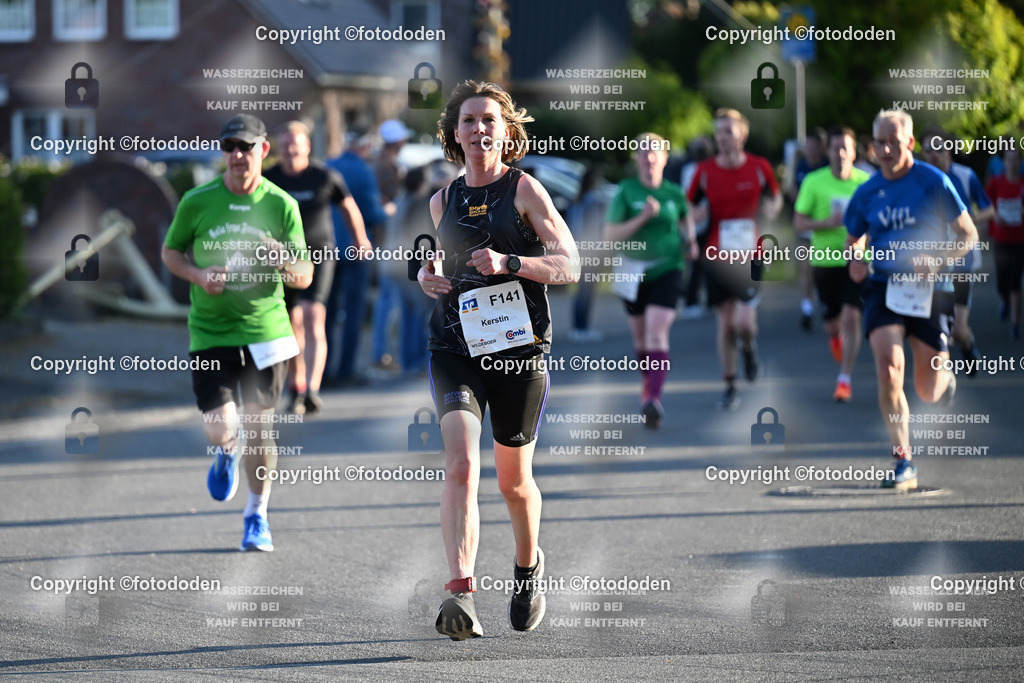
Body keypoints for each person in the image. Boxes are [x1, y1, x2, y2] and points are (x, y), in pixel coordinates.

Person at [417, 80, 579, 640]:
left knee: (513, 481)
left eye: (489, 120)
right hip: (454, 348)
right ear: (453, 133)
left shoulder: (526, 189)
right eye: (468, 120)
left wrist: (512, 261)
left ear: (506, 130)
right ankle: (460, 593)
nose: (479, 129)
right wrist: (426, 276)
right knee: (461, 464)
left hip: (518, 350)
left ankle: (528, 567)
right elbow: (435, 261)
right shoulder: (442, 199)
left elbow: (569, 264)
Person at [161, 114, 313, 551]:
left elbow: (304, 273)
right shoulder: (197, 200)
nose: (237, 155)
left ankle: (257, 516)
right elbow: (171, 251)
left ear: (264, 151)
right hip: (211, 331)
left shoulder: (282, 204)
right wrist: (196, 274)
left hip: (267, 332)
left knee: (260, 428)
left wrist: (282, 258)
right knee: (219, 428)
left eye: (246, 147)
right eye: (229, 147)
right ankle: (226, 450)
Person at [844, 109, 978, 490]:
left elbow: (968, 235)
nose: (886, 149)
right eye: (880, 143)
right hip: (884, 287)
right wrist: (855, 258)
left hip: (931, 291)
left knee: (927, 389)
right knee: (889, 370)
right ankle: (903, 461)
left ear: (910, 143)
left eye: (894, 141)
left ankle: (945, 379)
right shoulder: (866, 191)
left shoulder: (933, 181)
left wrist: (937, 260)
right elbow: (854, 238)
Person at [264, 121, 370, 414]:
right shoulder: (269, 178)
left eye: (295, 144)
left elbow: (349, 207)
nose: (290, 150)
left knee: (313, 315)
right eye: (285, 145)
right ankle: (296, 388)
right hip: (284, 259)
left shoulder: (324, 176)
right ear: (279, 149)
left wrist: (360, 240)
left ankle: (312, 387)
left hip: (320, 255)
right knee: (291, 322)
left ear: (307, 147)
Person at [688, 108, 782, 410]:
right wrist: (694, 216)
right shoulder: (704, 171)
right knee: (725, 324)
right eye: (718, 132)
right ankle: (729, 384)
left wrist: (773, 208)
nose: (722, 138)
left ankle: (749, 347)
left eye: (728, 131)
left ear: (742, 134)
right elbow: (686, 208)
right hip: (716, 254)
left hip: (751, 255)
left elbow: (776, 195)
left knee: (744, 323)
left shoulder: (759, 167)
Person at [604, 133, 697, 427]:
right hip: (630, 270)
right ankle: (649, 384)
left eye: (654, 152)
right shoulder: (626, 191)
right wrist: (643, 217)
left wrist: (691, 240)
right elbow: (611, 234)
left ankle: (652, 399)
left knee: (657, 332)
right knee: (641, 340)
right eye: (643, 152)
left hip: (668, 267)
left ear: (664, 158)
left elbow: (684, 217)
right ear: (637, 160)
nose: (649, 157)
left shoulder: (674, 192)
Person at [794, 126, 870, 402]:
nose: (839, 153)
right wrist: (825, 223)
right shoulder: (814, 181)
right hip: (824, 260)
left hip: (856, 259)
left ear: (853, 152)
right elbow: (799, 222)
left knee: (852, 316)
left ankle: (844, 378)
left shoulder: (866, 182)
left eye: (844, 148)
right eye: (835, 148)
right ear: (828, 152)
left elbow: (876, 221)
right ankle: (837, 343)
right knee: (833, 326)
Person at [921, 128, 994, 373]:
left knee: (958, 330)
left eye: (939, 148)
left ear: (949, 149)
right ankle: (944, 377)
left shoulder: (965, 176)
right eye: (928, 149)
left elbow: (989, 209)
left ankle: (968, 343)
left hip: (961, 259)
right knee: (937, 327)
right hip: (930, 263)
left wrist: (972, 218)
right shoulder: (918, 179)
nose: (933, 154)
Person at [325, 130, 390, 385]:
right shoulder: (364, 172)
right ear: (364, 146)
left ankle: (322, 371)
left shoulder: (328, 166)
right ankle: (346, 371)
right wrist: (388, 210)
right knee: (353, 312)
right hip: (355, 250)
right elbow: (374, 214)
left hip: (327, 250)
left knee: (327, 313)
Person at [372, 119, 412, 370]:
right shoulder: (388, 167)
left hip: (385, 241)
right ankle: (381, 354)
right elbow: (391, 205)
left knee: (388, 300)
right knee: (389, 300)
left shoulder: (378, 163)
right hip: (390, 242)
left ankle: (382, 353)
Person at [790, 128, 829, 331]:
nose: (811, 150)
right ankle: (806, 309)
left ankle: (825, 303)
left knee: (819, 270)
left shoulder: (827, 166)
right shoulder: (800, 166)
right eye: (808, 146)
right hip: (806, 226)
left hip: (826, 228)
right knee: (805, 268)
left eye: (815, 147)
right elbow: (793, 191)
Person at [566, 164, 609, 342]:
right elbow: (597, 228)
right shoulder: (594, 201)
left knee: (580, 290)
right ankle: (583, 328)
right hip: (590, 250)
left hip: (575, 248)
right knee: (587, 291)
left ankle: (577, 327)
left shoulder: (576, 200)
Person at [985, 146, 1024, 339]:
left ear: (1020, 162)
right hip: (1001, 238)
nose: (1012, 163)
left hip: (1021, 239)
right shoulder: (996, 182)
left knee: (1016, 280)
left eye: (1016, 159)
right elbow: (986, 204)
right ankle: (1007, 301)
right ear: (1003, 162)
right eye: (1009, 159)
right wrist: (995, 216)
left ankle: (1016, 324)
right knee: (1002, 282)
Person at [680, 135, 714, 318]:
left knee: (705, 263)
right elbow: (688, 196)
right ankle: (691, 300)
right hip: (696, 221)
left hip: (706, 220)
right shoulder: (692, 169)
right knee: (696, 263)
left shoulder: (700, 168)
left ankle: (706, 299)